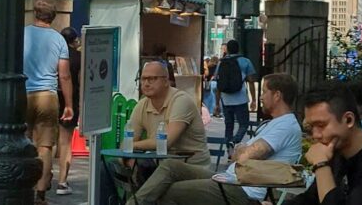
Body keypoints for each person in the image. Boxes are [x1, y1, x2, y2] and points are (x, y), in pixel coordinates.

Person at [131, 73, 303, 205]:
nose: (260, 97)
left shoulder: (285, 125)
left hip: (243, 191)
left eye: (264, 92)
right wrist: (242, 151)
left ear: (277, 95)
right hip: (229, 179)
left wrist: (242, 150)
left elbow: (242, 156)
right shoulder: (274, 124)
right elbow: (239, 153)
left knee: (167, 190)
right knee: (170, 166)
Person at [23, 0, 74, 205]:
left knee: (22, 142)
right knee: (45, 146)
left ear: (35, 13)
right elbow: (65, 75)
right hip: (47, 95)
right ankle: (41, 193)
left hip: (23, 92)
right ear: (52, 17)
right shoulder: (59, 40)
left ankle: (23, 185)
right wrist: (69, 104)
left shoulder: (22, 34)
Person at [128, 61, 211, 168]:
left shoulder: (181, 100)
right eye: (143, 79)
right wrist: (128, 159)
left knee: (163, 169)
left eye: (152, 79)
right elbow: (127, 140)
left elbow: (165, 142)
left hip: (192, 167)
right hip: (160, 165)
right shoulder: (142, 104)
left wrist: (132, 146)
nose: (146, 83)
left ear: (166, 81)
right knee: (108, 166)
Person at [215, 39, 256, 148]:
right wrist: (254, 100)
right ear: (238, 49)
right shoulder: (246, 61)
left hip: (226, 99)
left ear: (227, 49)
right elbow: (251, 81)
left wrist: (217, 103)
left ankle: (229, 152)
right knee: (244, 124)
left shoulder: (221, 62)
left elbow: (219, 84)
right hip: (241, 99)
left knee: (229, 126)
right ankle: (235, 140)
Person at [56, 27, 82, 196]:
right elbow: (80, 81)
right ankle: (62, 182)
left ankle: (41, 179)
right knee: (65, 142)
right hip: (70, 100)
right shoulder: (79, 58)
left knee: (46, 141)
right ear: (74, 41)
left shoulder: (53, 55)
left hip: (51, 98)